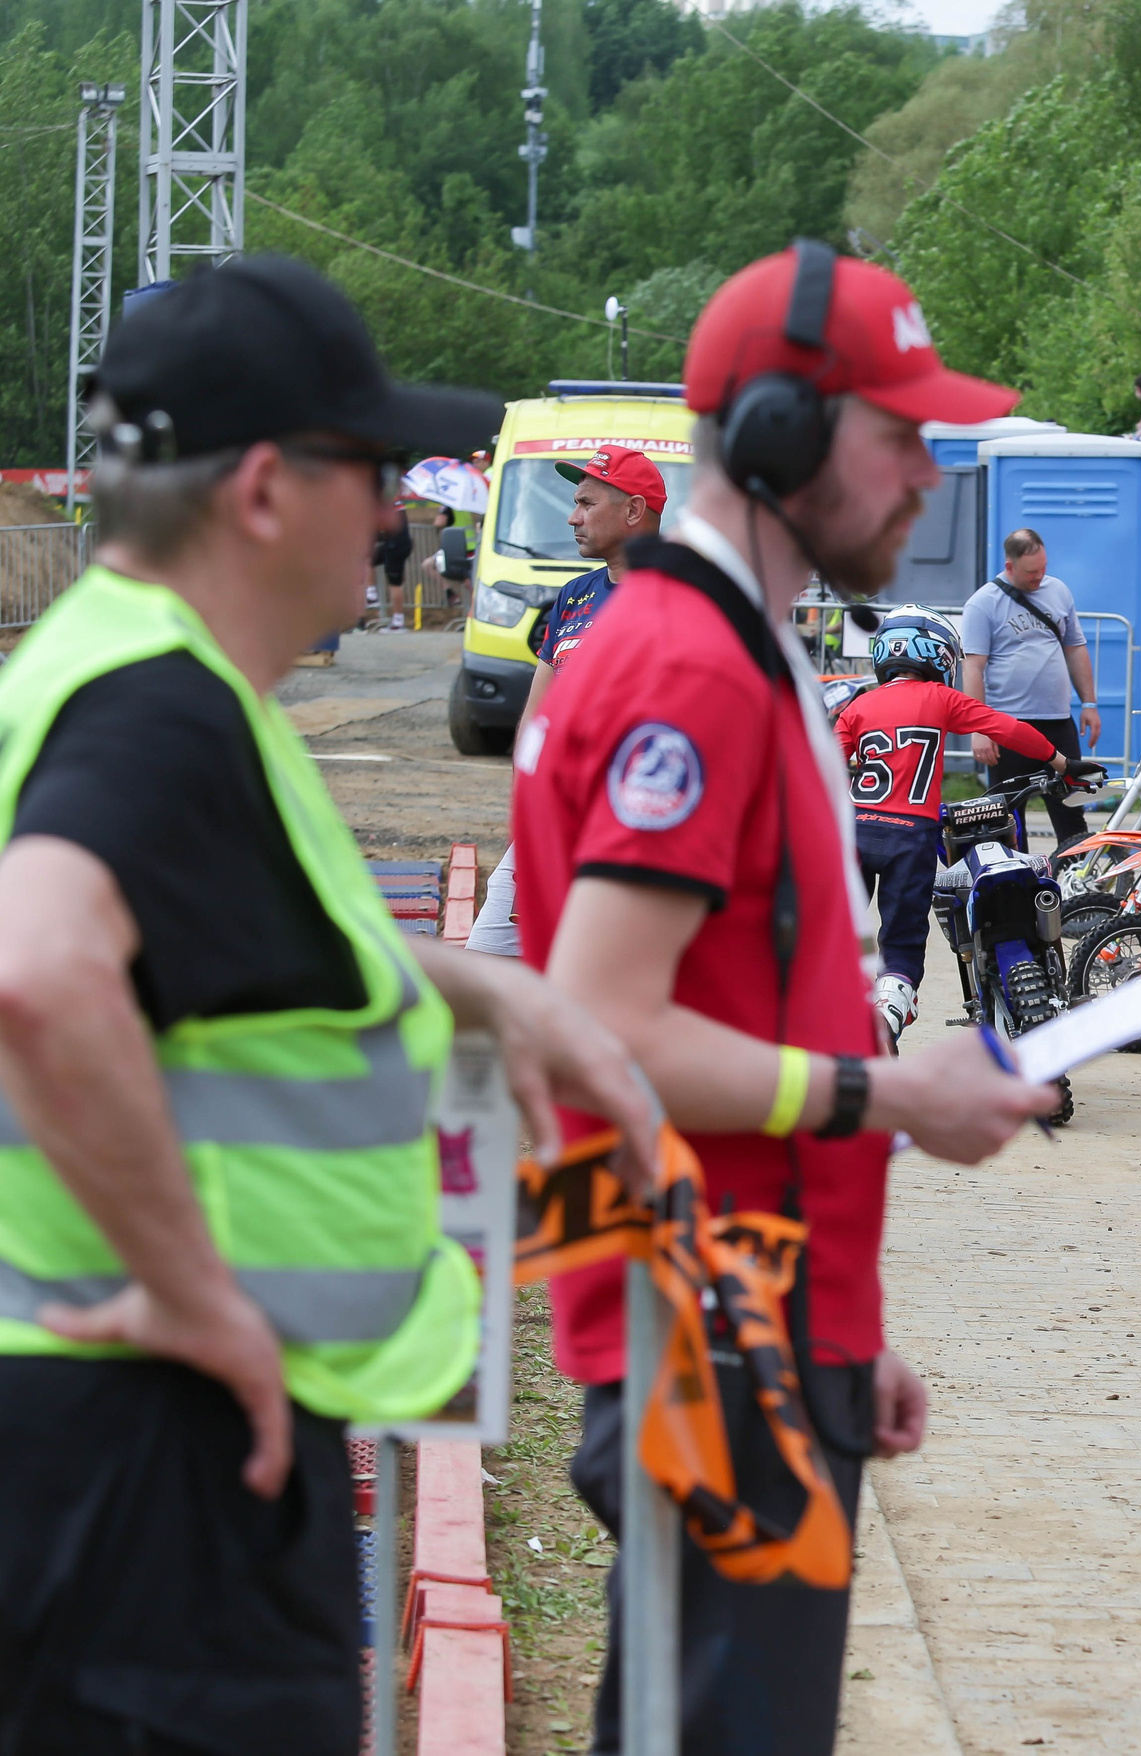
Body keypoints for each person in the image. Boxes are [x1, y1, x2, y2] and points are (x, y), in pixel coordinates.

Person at [0, 253, 655, 1751]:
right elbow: (36, 968)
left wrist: (501, 1006)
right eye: (368, 467)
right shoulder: (155, 701)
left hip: (132, 1449)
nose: (395, 510)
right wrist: (188, 1285)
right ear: (260, 490)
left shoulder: (141, 677)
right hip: (162, 1457)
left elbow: (218, 953)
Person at [512, 242, 1064, 1756]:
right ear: (775, 437)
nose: (926, 476)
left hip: (757, 1321)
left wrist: (845, 1320)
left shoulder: (740, 654)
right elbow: (607, 1021)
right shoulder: (687, 667)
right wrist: (897, 1096)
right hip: (712, 1339)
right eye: (899, 435)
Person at [836, 609, 1086, 1044]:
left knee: (834, 931)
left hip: (855, 831)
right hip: (910, 834)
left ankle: (826, 1012)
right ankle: (889, 1010)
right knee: (902, 938)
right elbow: (1009, 730)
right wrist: (1060, 762)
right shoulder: (941, 699)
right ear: (938, 656)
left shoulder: (856, 707)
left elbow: (821, 762)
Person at [465, 444, 666, 959]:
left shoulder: (677, 596)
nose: (572, 517)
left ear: (634, 510)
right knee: (490, 954)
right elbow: (537, 710)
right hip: (549, 821)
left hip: (626, 835)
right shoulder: (575, 594)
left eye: (587, 503)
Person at [960, 527, 1105, 851]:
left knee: (1070, 805)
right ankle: (1014, 882)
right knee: (1008, 815)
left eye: (1043, 568)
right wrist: (979, 729)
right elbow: (973, 668)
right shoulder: (983, 604)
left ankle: (1074, 880)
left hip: (1057, 720)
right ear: (1010, 566)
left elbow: (1075, 648)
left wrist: (1090, 704)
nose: (1039, 577)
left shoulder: (1059, 591)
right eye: (1031, 572)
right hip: (1008, 725)